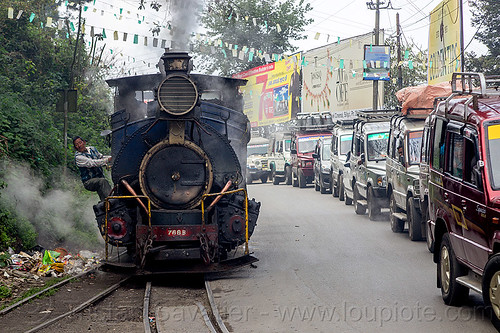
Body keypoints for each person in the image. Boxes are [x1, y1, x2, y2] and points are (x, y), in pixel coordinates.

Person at [73, 136, 112, 201]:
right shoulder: (78, 157)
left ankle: (107, 206)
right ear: (75, 148)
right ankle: (113, 200)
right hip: (88, 182)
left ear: (84, 142)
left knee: (103, 194)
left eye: (80, 143)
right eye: (76, 145)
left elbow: (101, 157)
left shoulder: (92, 149)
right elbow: (92, 163)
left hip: (99, 179)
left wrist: (113, 158)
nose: (79, 145)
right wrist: (107, 160)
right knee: (102, 182)